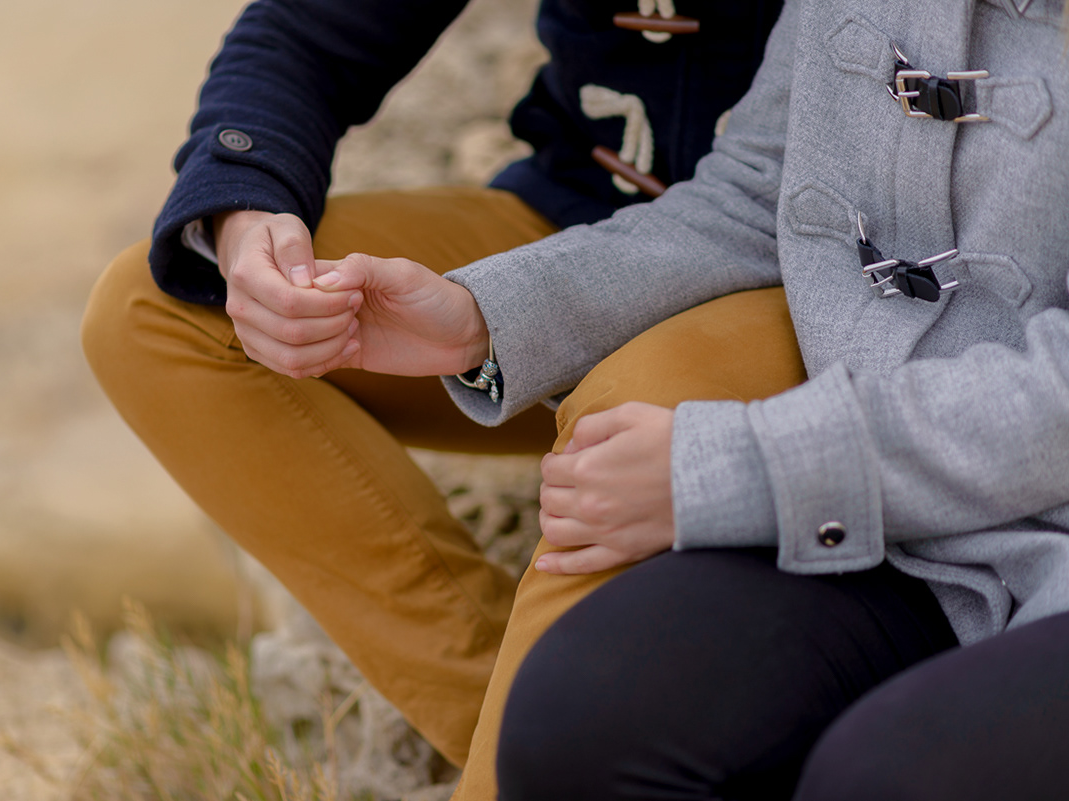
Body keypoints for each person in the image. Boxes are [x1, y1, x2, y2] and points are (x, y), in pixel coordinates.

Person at [180, 0, 1069, 797]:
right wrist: (478, 316)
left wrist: (749, 467)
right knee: (578, 727)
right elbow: (757, 197)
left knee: (876, 776)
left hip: (1014, 523)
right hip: (904, 535)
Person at [83, 0, 794, 796]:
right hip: (564, 220)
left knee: (615, 426)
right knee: (158, 315)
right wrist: (248, 215)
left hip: (776, 276)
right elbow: (303, 33)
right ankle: (526, 737)